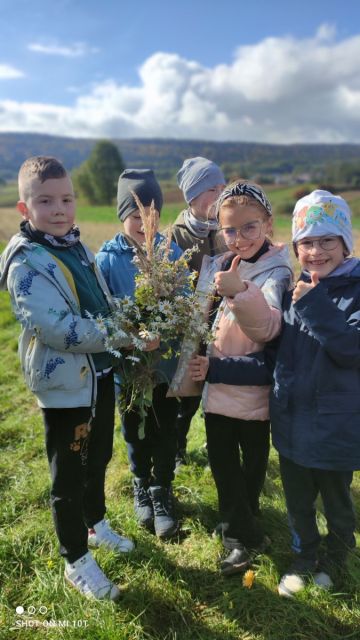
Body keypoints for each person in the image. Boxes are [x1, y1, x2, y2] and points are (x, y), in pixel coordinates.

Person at [190, 189, 359, 596]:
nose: (316, 251)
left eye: (327, 241)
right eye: (307, 243)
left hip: (336, 428)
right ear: (296, 246)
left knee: (336, 503)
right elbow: (273, 360)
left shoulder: (349, 292)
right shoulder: (297, 289)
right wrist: (218, 367)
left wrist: (316, 302)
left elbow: (351, 350)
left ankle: (336, 559)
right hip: (292, 424)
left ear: (345, 244)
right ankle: (303, 558)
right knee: (298, 504)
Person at [0, 156, 149, 601]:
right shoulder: (27, 263)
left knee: (98, 455)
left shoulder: (78, 247)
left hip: (98, 376)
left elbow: (100, 303)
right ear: (25, 209)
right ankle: (75, 559)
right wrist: (124, 335)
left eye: (66, 199)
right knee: (68, 475)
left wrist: (133, 318)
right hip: (65, 387)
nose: (60, 209)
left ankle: (95, 523)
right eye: (46, 201)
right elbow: (58, 329)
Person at [189, 180, 293, 576]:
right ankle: (244, 531)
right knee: (222, 463)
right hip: (218, 392)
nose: (239, 238)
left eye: (250, 227)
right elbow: (204, 321)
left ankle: (239, 537)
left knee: (250, 467)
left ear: (268, 223)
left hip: (253, 390)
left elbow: (266, 328)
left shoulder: (276, 271)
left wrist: (238, 292)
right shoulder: (218, 264)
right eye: (229, 230)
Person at [96, 169, 183, 540]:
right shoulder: (107, 259)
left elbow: (185, 305)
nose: (143, 225)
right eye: (134, 217)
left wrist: (164, 330)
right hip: (128, 370)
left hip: (164, 366)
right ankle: (140, 483)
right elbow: (102, 313)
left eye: (150, 215)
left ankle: (161, 489)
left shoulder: (171, 253)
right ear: (122, 217)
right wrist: (132, 335)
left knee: (165, 428)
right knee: (134, 430)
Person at [172, 157, 226, 467]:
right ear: (192, 195)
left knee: (218, 391)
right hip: (189, 330)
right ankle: (177, 447)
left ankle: (218, 447)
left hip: (223, 328)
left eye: (222, 187)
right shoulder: (176, 235)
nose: (220, 194)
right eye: (212, 189)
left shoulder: (226, 229)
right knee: (187, 396)